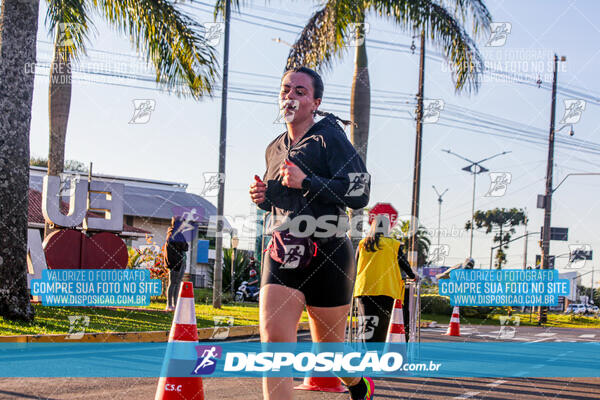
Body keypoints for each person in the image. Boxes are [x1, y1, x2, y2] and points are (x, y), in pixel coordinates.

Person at [249, 66, 372, 400]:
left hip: (329, 253)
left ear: (316, 102)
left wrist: (308, 181)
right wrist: (264, 198)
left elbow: (360, 192)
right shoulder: (274, 148)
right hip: (283, 251)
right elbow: (284, 201)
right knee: (275, 345)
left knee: (330, 353)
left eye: (300, 91)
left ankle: (357, 383)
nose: (291, 96)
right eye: (286, 89)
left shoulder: (330, 137)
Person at [354, 215, 418, 343]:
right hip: (387, 289)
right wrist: (413, 275)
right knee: (383, 326)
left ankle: (368, 356)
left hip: (364, 288)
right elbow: (404, 264)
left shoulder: (363, 243)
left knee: (367, 326)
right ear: (388, 228)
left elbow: (354, 264)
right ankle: (378, 355)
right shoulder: (394, 244)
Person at [163, 217, 189, 311]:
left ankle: (175, 304)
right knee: (173, 283)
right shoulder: (172, 233)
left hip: (181, 261)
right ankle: (169, 304)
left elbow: (185, 247)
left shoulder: (179, 234)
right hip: (175, 262)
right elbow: (184, 246)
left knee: (177, 283)